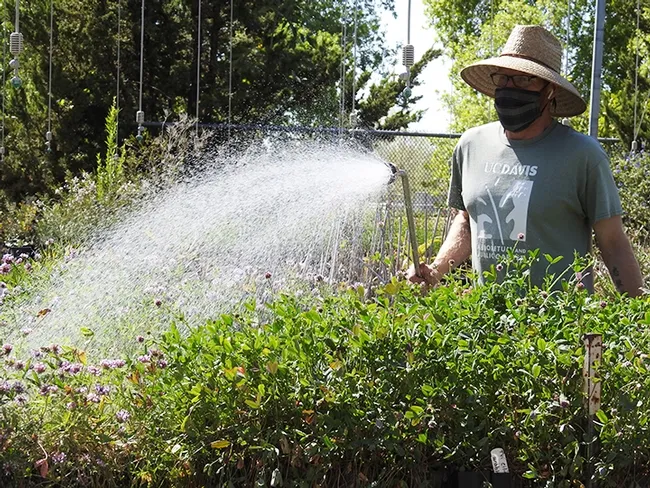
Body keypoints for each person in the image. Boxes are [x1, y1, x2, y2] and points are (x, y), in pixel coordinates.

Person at [408, 24, 644, 297]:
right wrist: (436, 269)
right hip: (485, 324)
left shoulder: (583, 155)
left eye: (524, 80)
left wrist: (638, 319)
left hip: (558, 327)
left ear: (550, 90)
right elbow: (466, 220)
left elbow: (613, 242)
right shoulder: (470, 146)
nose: (510, 88)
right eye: (503, 78)